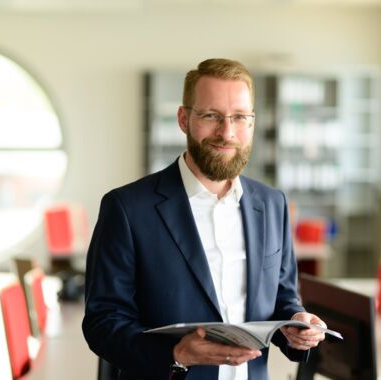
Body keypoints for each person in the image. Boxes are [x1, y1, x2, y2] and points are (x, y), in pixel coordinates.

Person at [82, 58, 327, 380]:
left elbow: (282, 295)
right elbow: (103, 321)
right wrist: (176, 354)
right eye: (211, 116)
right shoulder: (127, 208)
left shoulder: (272, 204)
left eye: (239, 117)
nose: (226, 132)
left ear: (252, 122)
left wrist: (297, 323)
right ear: (184, 119)